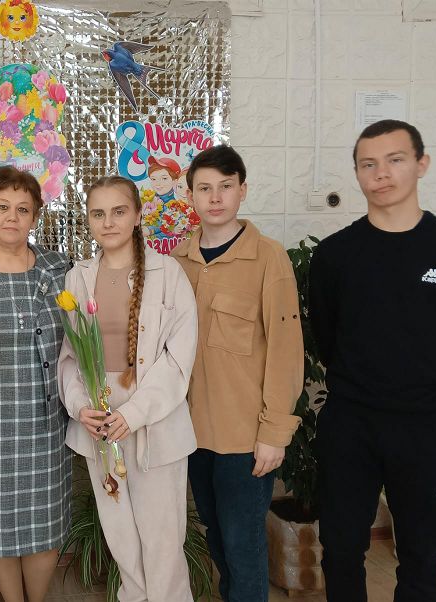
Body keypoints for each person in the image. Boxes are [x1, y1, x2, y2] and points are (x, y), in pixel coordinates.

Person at [309, 119, 436, 602]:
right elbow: (327, 338)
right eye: (368, 164)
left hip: (431, 426)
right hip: (352, 422)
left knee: (423, 555)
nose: (381, 173)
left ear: (421, 164)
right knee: (341, 549)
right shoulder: (334, 255)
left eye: (395, 160)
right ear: (357, 174)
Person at [171, 145, 304, 601]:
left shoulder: (268, 258)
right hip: (191, 434)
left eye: (225, 187)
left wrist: (275, 432)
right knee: (216, 537)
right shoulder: (178, 262)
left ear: (242, 190)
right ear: (190, 195)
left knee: (243, 544)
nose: (215, 198)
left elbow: (287, 351)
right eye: (205, 188)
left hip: (245, 437)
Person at [58, 175, 198, 602]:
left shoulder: (168, 274)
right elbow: (69, 358)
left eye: (119, 211)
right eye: (98, 213)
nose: (108, 222)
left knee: (162, 540)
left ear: (137, 215)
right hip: (99, 421)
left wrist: (132, 414)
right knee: (120, 536)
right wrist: (80, 406)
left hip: (154, 417)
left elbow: (178, 359)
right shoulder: (78, 278)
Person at [0, 166, 72, 602]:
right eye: (2, 206)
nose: (12, 216)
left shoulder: (59, 270)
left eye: (23, 209)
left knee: (45, 525)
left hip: (46, 424)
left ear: (35, 217)